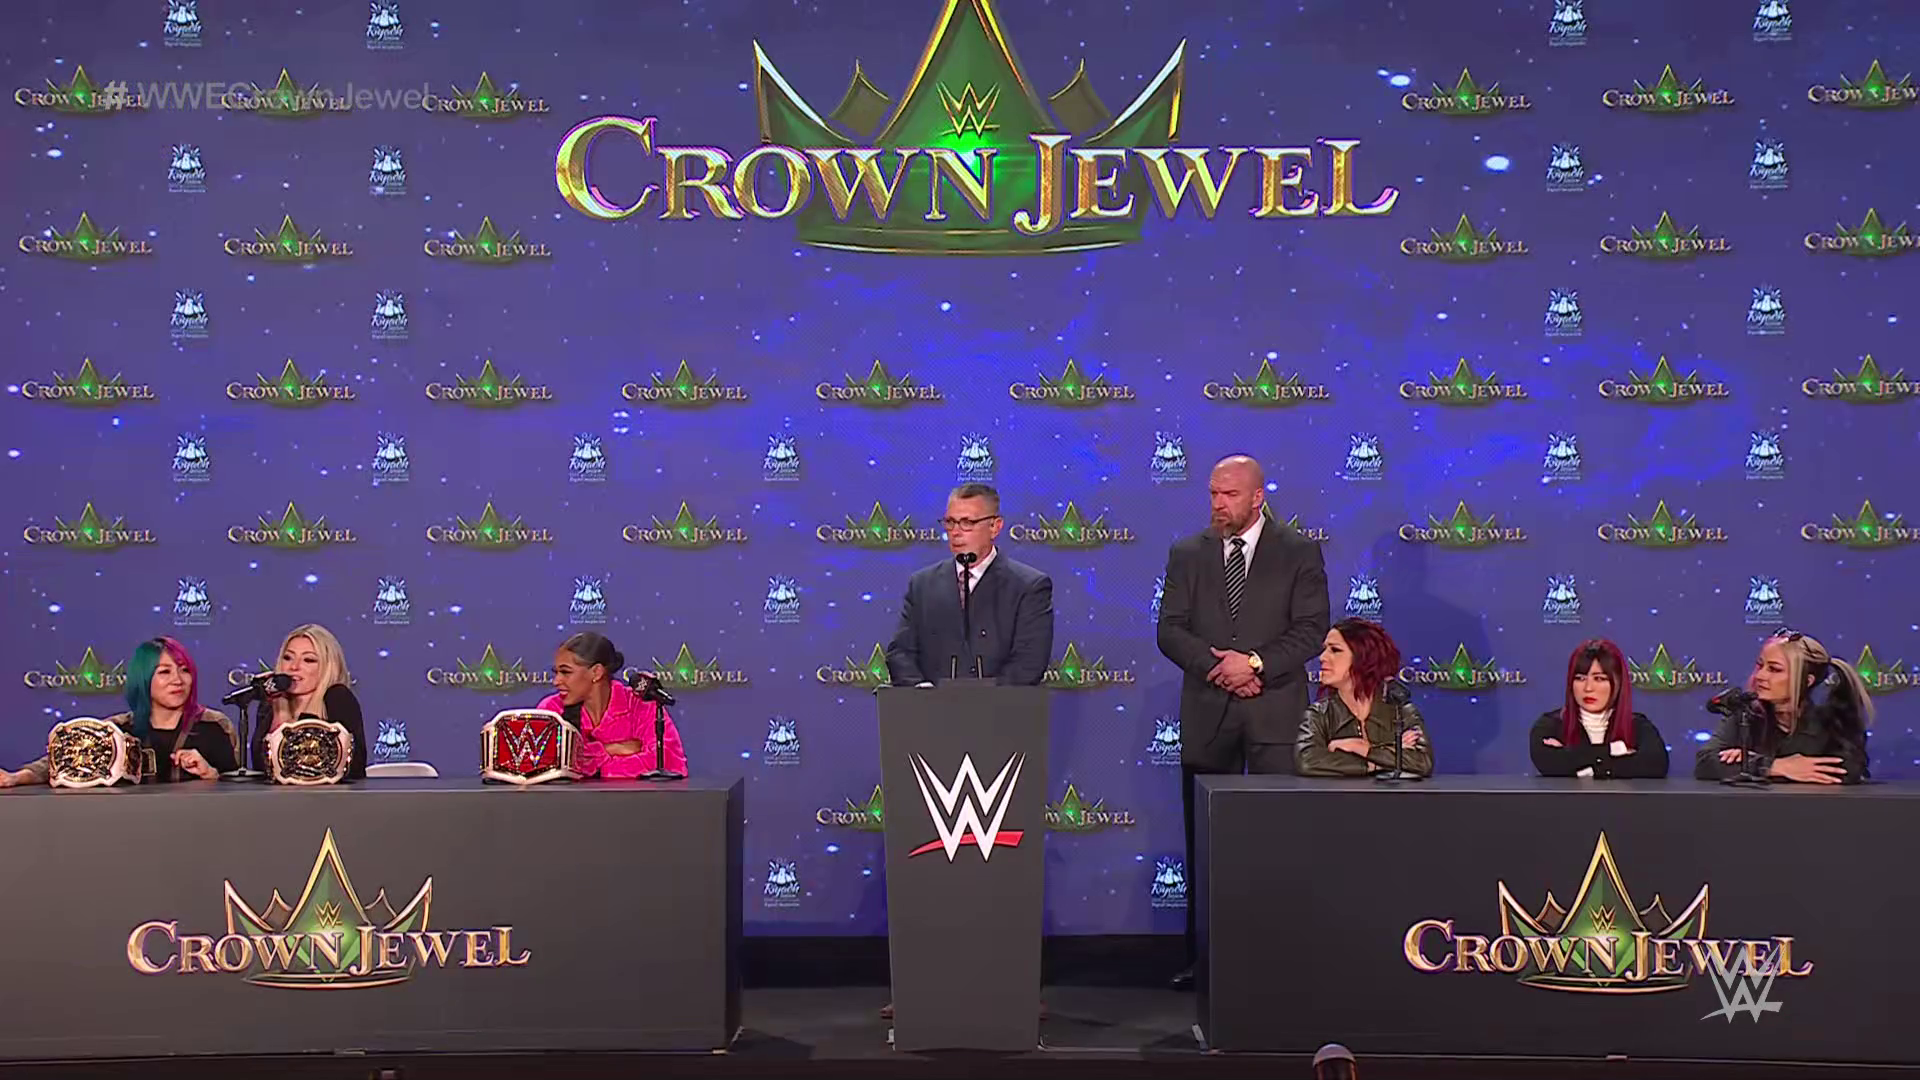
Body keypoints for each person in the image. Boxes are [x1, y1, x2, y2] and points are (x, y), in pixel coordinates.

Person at [1156, 454, 1329, 988]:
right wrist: (1220, 669)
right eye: (1213, 493)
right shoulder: (1188, 553)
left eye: (1229, 494)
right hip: (1209, 716)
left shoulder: (1298, 551)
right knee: (1205, 843)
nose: (1218, 504)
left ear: (1257, 497)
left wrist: (1252, 664)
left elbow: (1311, 629)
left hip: (1275, 714)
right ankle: (1205, 961)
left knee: (1280, 838)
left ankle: (1284, 956)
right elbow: (1170, 630)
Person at [1, 636, 237, 786]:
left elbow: (237, 791)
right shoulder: (116, 730)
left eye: (184, 670)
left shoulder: (215, 726)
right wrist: (16, 778)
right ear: (143, 679)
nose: (178, 680)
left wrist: (210, 774)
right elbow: (59, 763)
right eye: (164, 672)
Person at [885, 482, 1054, 687]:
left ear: (995, 527)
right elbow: (900, 652)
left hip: (999, 706)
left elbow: (1029, 663)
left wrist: (977, 698)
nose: (955, 532)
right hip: (930, 705)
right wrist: (922, 691)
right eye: (950, 522)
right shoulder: (922, 585)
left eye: (967, 523)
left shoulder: (1028, 587)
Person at [1695, 629, 1871, 784]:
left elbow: (1848, 771)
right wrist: (1771, 766)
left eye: (1774, 669)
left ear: (1806, 681)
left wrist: (1748, 763)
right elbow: (1705, 764)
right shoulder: (1745, 714)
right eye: (1760, 665)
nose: (1760, 676)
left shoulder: (1835, 720)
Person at [536, 632, 687, 778]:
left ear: (596, 672)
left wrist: (597, 767)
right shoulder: (552, 710)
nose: (556, 681)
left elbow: (669, 763)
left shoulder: (641, 704)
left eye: (565, 672)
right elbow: (542, 767)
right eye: (556, 672)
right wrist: (612, 749)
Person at [1296, 619, 1431, 777]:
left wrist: (1366, 750)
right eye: (1325, 649)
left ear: (1364, 657)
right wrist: (1376, 761)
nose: (1322, 657)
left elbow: (1422, 762)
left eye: (1335, 650)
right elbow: (1308, 761)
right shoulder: (1319, 715)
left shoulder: (1400, 711)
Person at [1530, 638, 1668, 779]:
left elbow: (1656, 765)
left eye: (1599, 679)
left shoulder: (1637, 725)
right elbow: (1548, 763)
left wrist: (1578, 763)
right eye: (1580, 678)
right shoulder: (1551, 724)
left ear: (1618, 682)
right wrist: (1616, 750)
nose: (1588, 688)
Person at [252, 623, 367, 781]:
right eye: (288, 658)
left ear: (328, 667)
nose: (294, 667)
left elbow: (355, 767)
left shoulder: (337, 698)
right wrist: (281, 713)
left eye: (308, 660)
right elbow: (261, 769)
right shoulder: (269, 705)